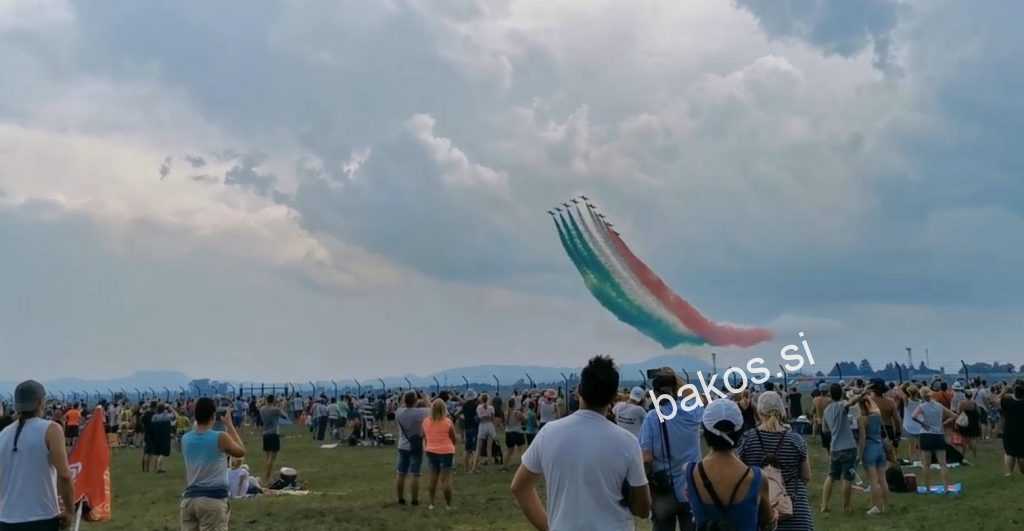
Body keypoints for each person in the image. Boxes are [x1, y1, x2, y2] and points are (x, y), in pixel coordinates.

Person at [511, 356, 651, 531]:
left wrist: (550, 527)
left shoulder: (548, 433)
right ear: (614, 397)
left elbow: (519, 487)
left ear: (579, 390)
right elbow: (643, 509)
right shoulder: (628, 442)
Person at [684, 398, 773, 530]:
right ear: (740, 431)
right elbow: (767, 521)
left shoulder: (691, 473)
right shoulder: (757, 478)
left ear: (706, 432)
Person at [0, 380, 76, 531]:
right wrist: (69, 511)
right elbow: (64, 475)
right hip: (42, 518)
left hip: (6, 519)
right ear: (41, 402)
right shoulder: (51, 429)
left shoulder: (3, 434)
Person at [737, 391, 813, 530]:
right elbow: (806, 476)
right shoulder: (796, 440)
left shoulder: (747, 439)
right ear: (781, 411)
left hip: (761, 514)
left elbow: (740, 478)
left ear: (759, 411)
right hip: (795, 512)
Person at [640, 369, 702, 531]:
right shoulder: (692, 412)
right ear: (675, 390)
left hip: (664, 491)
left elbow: (646, 458)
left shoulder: (652, 418)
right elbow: (695, 395)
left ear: (655, 394)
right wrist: (675, 377)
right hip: (691, 488)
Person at [180, 397, 245, 531]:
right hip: (213, 500)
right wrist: (230, 425)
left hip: (189, 500)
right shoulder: (220, 437)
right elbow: (241, 452)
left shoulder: (185, 439)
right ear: (213, 416)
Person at [820, 383, 867, 513]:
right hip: (848, 447)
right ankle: (846, 506)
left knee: (831, 476)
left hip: (834, 447)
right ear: (841, 393)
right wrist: (862, 393)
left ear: (830, 394)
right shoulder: (842, 405)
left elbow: (824, 429)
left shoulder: (826, 410)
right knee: (847, 477)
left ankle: (824, 505)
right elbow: (851, 402)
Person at [912, 387, 956, 493]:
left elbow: (913, 416)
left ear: (922, 396)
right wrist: (943, 423)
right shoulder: (939, 406)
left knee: (926, 465)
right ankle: (946, 488)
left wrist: (923, 424)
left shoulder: (922, 406)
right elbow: (954, 415)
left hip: (926, 435)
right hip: (938, 435)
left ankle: (927, 488)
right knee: (943, 464)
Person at [421, 399, 457, 510]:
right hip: (446, 451)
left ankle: (432, 503)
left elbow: (424, 436)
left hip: (431, 450)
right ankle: (448, 505)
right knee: (445, 480)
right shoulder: (448, 422)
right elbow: (453, 437)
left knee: (433, 478)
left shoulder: (426, 421)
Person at [395, 391, 428, 506]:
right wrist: (424, 397)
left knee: (401, 473)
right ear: (416, 401)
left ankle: (400, 498)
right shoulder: (422, 412)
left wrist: (404, 397)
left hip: (403, 445)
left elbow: (401, 405)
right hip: (416, 445)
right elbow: (431, 408)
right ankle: (414, 499)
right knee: (415, 473)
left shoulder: (399, 412)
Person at [857, 395, 889, 515]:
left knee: (873, 481)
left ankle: (876, 506)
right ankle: (885, 505)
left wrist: (860, 455)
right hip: (880, 447)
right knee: (883, 479)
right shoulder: (877, 416)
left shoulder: (862, 419)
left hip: (870, 449)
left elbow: (862, 439)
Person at [258, 395, 288, 485]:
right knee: (272, 458)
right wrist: (281, 406)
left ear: (266, 400)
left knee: (268, 457)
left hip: (265, 434)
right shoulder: (275, 410)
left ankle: (268, 477)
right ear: (273, 400)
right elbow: (285, 416)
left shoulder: (262, 409)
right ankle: (267, 478)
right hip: (273, 434)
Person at [1001, 383, 1024, 476]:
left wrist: (1005, 389)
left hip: (1009, 430)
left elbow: (997, 400)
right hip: (1022, 431)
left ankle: (1009, 473)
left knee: (1009, 453)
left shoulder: (1007, 402)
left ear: (1014, 392)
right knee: (1022, 454)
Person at [472, 393, 498, 473]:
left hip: (482, 426)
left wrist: (484, 417)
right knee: (489, 448)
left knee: (478, 448)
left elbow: (479, 418)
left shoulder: (479, 407)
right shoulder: (491, 407)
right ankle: (490, 468)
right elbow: (492, 418)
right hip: (490, 426)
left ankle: (474, 467)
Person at [954, 391, 981, 460]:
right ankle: (974, 455)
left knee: (964, 439)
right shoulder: (974, 403)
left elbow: (958, 412)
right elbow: (979, 412)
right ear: (971, 396)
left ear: (965, 395)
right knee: (972, 439)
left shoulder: (962, 403)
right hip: (973, 423)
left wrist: (956, 423)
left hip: (964, 423)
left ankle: (963, 455)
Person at [149, 403, 175, 473]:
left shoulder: (154, 416)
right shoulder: (166, 416)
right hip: (164, 436)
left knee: (156, 452)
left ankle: (155, 468)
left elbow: (152, 425)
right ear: (164, 409)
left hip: (156, 436)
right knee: (163, 453)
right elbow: (174, 416)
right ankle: (159, 468)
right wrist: (170, 408)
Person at [458, 391, 479, 472]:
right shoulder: (476, 406)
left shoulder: (464, 406)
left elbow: (459, 414)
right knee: (474, 450)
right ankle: (474, 468)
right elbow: (477, 417)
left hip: (467, 428)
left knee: (467, 449)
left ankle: (466, 468)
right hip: (474, 428)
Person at [503, 398, 526, 470]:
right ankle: (522, 465)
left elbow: (505, 423)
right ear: (514, 404)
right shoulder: (517, 412)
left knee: (509, 451)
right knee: (521, 450)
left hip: (508, 432)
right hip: (517, 432)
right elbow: (524, 420)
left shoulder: (506, 412)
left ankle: (505, 466)